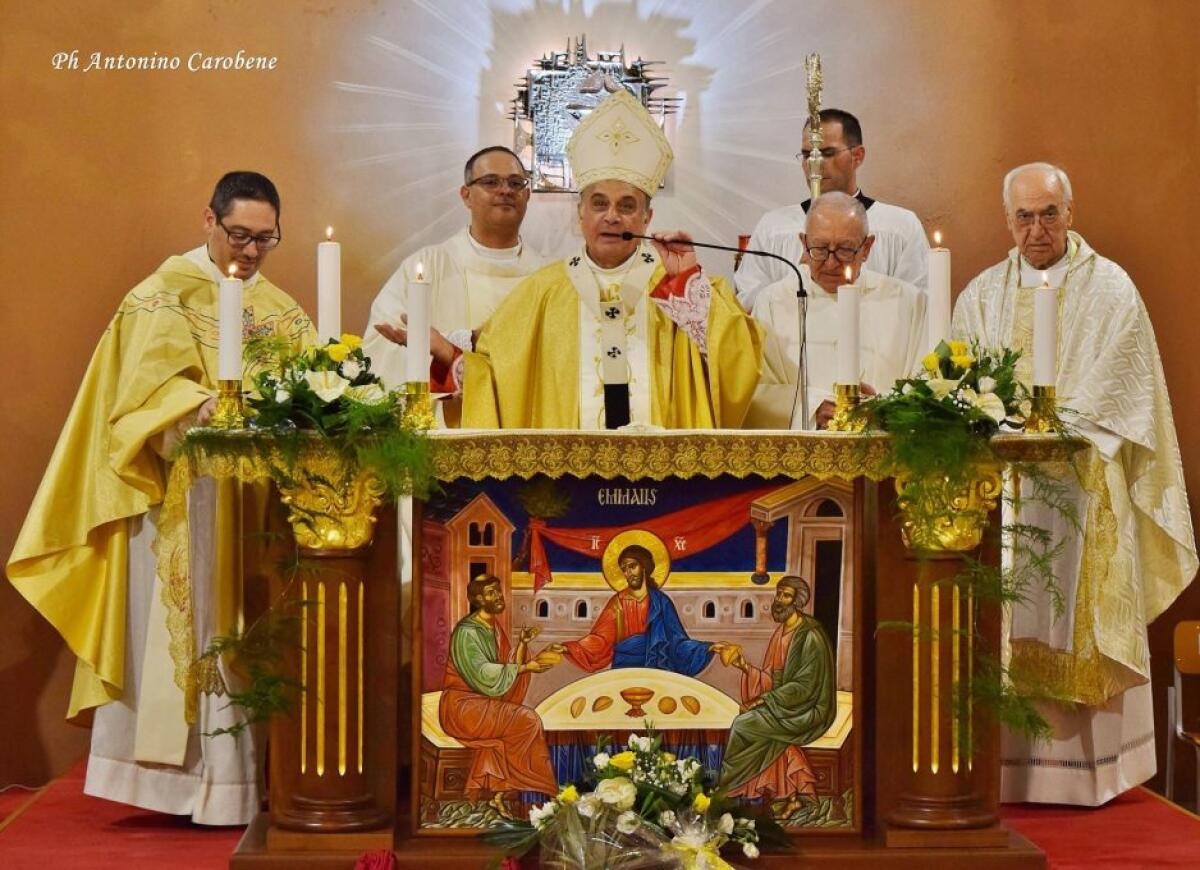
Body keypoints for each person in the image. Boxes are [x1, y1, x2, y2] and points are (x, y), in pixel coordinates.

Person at [7, 171, 314, 824]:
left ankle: (247, 781)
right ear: (208, 220)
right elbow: (133, 400)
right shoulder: (158, 296)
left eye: (267, 239)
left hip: (258, 507)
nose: (252, 252)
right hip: (183, 501)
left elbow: (307, 394)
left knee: (253, 633)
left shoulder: (284, 311)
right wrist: (195, 407)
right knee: (187, 632)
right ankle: (174, 788)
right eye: (240, 235)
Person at [952, 162, 1197, 805]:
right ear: (1006, 221)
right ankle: (1008, 774)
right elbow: (961, 381)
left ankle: (1092, 777)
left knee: (1077, 606)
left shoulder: (1113, 289)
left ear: (1071, 212)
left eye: (1049, 214)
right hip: (1005, 490)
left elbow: (1127, 383)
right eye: (1024, 217)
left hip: (1087, 487)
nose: (1037, 230)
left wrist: (1058, 426)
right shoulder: (981, 294)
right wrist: (1003, 422)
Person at [414, 87, 763, 430]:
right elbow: (494, 378)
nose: (612, 216)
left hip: (664, 475)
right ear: (580, 215)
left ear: (647, 219)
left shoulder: (681, 290)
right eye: (599, 204)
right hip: (568, 480)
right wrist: (448, 354)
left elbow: (737, 366)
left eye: (627, 206)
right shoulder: (541, 292)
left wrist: (687, 284)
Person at [363, 145, 546, 426]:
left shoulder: (548, 276)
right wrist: (443, 346)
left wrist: (452, 346)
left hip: (527, 428)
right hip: (449, 437)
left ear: (528, 194)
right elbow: (379, 346)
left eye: (515, 183)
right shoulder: (424, 268)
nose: (505, 190)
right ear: (466, 195)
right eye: (490, 182)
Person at [746, 192, 926, 429]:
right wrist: (810, 408)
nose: (831, 263)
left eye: (845, 250)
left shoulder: (908, 303)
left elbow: (931, 384)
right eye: (819, 249)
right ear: (803, 243)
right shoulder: (771, 302)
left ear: (867, 247)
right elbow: (756, 392)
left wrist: (884, 408)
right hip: (801, 459)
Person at [735, 108, 930, 312]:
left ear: (858, 156)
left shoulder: (900, 226)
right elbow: (748, 309)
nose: (815, 165)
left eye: (827, 153)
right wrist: (798, 276)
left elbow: (920, 308)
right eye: (807, 155)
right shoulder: (773, 227)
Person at [549, 533, 738, 676]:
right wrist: (571, 648)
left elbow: (677, 641)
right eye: (624, 569)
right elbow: (600, 639)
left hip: (656, 669)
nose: (628, 572)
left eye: (632, 566)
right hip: (624, 668)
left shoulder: (661, 603)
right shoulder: (618, 603)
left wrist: (708, 648)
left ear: (644, 566)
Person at [439, 574, 558, 799]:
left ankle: (506, 791)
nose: (499, 596)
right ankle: (532, 787)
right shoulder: (467, 632)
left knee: (523, 720)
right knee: (528, 720)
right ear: (478, 599)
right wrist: (525, 668)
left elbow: (506, 666)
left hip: (482, 703)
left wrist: (522, 644)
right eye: (491, 592)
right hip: (463, 707)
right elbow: (483, 674)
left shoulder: (493, 627)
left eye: (498, 590)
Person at [718, 576, 836, 802]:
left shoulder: (810, 635)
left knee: (743, 725)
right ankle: (770, 791)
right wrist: (745, 667)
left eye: (786, 596)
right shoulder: (780, 633)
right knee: (748, 718)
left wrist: (764, 700)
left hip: (807, 710)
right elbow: (773, 679)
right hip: (784, 704)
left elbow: (805, 687)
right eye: (779, 594)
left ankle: (730, 788)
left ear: (798, 602)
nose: (779, 600)